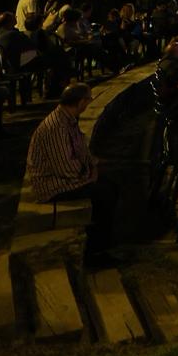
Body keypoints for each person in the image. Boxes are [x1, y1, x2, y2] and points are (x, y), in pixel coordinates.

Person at [26, 83, 120, 266]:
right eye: (88, 100)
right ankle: (96, 252)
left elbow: (81, 151)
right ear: (80, 102)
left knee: (110, 185)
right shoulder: (57, 128)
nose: (88, 104)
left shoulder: (68, 119)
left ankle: (102, 244)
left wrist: (93, 166)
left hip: (63, 177)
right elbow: (67, 169)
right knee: (105, 194)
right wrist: (91, 173)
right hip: (52, 184)